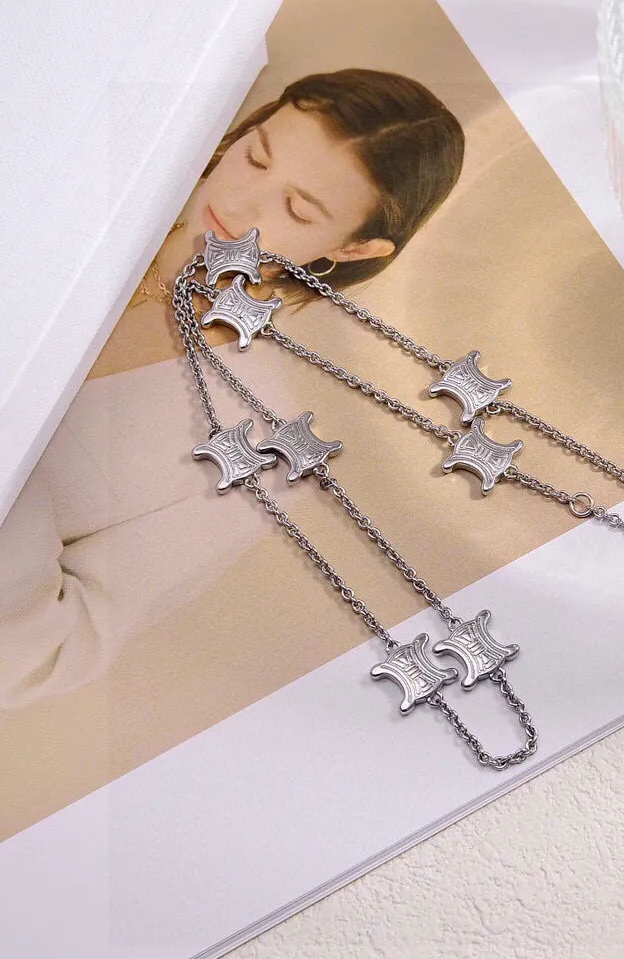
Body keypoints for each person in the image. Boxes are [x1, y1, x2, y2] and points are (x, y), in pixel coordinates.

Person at [0, 68, 465, 708]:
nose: (240, 202)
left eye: (298, 209)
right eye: (256, 156)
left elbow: (35, 658)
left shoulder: (260, 449)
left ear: (355, 248)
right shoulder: (65, 196)